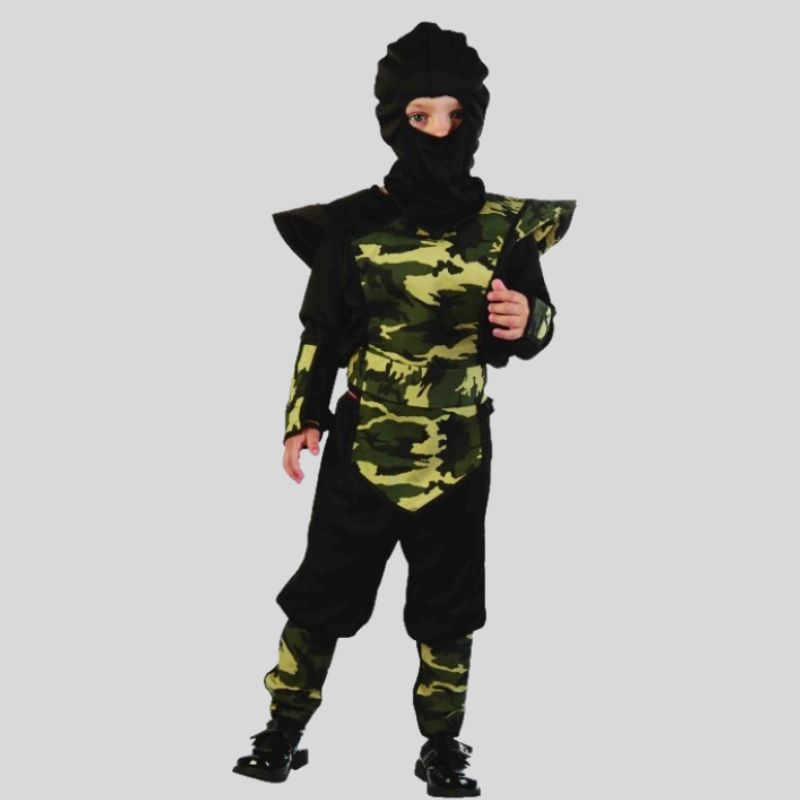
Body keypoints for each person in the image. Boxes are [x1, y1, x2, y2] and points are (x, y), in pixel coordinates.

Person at [233, 21, 576, 797]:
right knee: (323, 593)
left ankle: (443, 745)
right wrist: (302, 417)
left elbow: (539, 319)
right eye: (421, 116)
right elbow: (320, 331)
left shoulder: (505, 228)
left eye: (455, 115)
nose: (439, 132)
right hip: (364, 444)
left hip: (459, 450)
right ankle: (284, 725)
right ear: (393, 119)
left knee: (449, 608)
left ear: (476, 119)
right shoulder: (352, 225)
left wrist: (529, 319)